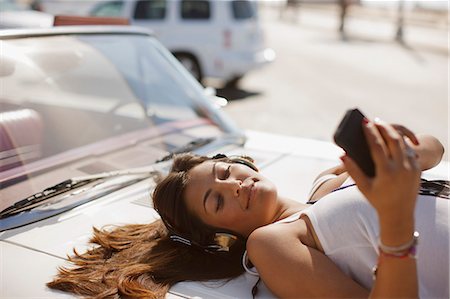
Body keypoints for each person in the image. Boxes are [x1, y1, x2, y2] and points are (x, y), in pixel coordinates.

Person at [47, 119, 448, 298]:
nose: (235, 186)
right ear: (219, 235)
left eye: (226, 171)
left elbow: (435, 150)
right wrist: (394, 229)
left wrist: (406, 147)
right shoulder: (272, 243)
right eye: (217, 200)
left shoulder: (330, 181)